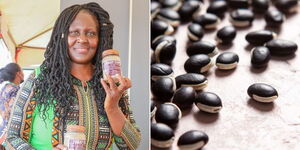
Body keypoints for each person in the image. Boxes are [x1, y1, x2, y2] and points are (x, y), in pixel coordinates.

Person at [4, 2, 141, 150]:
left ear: (99, 39)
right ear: (62, 37)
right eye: (74, 32)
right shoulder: (39, 79)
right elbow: (12, 138)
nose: (82, 39)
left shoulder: (112, 84)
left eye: (91, 33)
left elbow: (130, 146)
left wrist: (112, 107)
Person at [0, 63, 24, 145]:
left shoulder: (5, 88)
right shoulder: (16, 90)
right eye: (22, 71)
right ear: (18, 73)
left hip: (2, 129)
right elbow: (14, 111)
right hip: (11, 132)